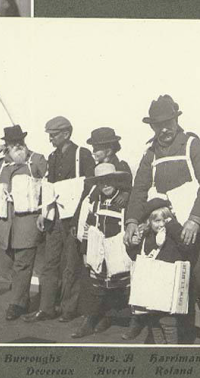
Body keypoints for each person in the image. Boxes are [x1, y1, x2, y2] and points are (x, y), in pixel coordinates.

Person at [124, 95, 200, 344]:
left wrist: (195, 219)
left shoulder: (192, 144)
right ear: (152, 126)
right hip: (173, 230)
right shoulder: (150, 153)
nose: (164, 129)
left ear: (176, 120)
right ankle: (181, 340)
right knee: (177, 284)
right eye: (158, 125)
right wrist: (131, 222)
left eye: (168, 122)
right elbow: (139, 189)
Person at [23, 116, 95, 323]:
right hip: (55, 219)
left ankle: (69, 309)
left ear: (66, 134)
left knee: (71, 264)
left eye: (53, 135)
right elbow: (49, 188)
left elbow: (88, 188)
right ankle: (46, 308)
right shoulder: (53, 157)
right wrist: (43, 213)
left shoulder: (83, 154)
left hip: (73, 219)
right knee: (50, 263)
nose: (50, 140)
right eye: (49, 135)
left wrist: (80, 219)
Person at [0, 125, 47, 320]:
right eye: (11, 143)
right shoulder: (1, 164)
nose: (17, 146)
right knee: (13, 262)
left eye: (19, 142)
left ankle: (18, 304)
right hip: (5, 226)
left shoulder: (37, 160)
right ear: (6, 145)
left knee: (23, 264)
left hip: (27, 224)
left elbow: (50, 183)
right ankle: (21, 294)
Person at [83, 126, 143, 339]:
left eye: (97, 148)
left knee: (124, 277)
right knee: (101, 276)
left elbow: (132, 189)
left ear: (108, 149)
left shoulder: (122, 166)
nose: (94, 151)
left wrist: (125, 194)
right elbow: (89, 195)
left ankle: (132, 320)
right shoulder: (96, 170)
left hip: (118, 226)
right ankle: (101, 316)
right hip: (101, 225)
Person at [71, 163, 133, 338]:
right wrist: (84, 251)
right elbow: (87, 228)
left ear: (116, 181)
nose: (105, 185)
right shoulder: (95, 202)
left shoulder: (124, 201)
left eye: (109, 181)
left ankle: (131, 322)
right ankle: (90, 321)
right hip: (99, 250)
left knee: (124, 286)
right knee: (97, 287)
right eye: (101, 183)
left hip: (119, 250)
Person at [127, 197, 193, 344]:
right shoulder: (146, 237)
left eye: (166, 220)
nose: (162, 224)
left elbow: (186, 246)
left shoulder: (173, 236)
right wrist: (132, 245)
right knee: (153, 322)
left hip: (167, 286)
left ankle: (170, 350)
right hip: (151, 287)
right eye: (157, 221)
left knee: (168, 322)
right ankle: (159, 348)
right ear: (149, 222)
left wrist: (173, 226)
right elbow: (135, 257)